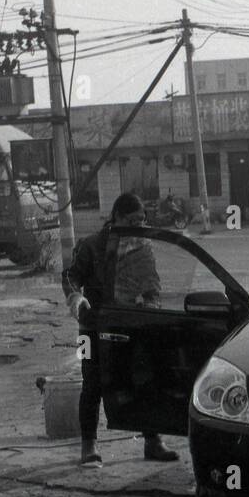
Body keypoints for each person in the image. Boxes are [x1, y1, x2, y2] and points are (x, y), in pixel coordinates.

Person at [62, 192, 180, 467]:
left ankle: (153, 440)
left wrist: (152, 305)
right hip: (91, 328)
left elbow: (152, 283)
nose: (138, 225)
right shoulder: (91, 246)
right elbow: (70, 275)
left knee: (144, 380)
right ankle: (88, 447)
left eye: (142, 220)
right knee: (92, 384)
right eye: (131, 220)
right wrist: (74, 296)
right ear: (116, 217)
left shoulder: (143, 248)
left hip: (132, 325)